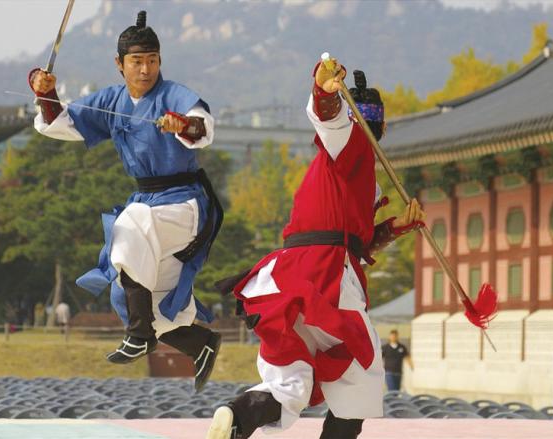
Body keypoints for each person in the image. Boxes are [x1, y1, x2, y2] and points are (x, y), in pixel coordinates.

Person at [207, 60, 425, 439]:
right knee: (360, 374)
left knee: (291, 380)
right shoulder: (351, 142)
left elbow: (358, 243)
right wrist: (324, 92)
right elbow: (330, 119)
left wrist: (396, 226)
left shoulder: (358, 177)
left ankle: (238, 414)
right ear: (383, 128)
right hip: (327, 275)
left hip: (291, 272)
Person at [29, 10, 222, 391]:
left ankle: (140, 335)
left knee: (128, 224)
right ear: (119, 64)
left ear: (160, 61)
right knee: (128, 293)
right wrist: (46, 92)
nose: (145, 69)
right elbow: (61, 122)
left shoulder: (173, 94)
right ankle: (199, 343)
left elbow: (203, 126)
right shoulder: (112, 100)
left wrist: (183, 124)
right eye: (136, 61)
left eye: (152, 60)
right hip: (149, 204)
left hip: (183, 204)